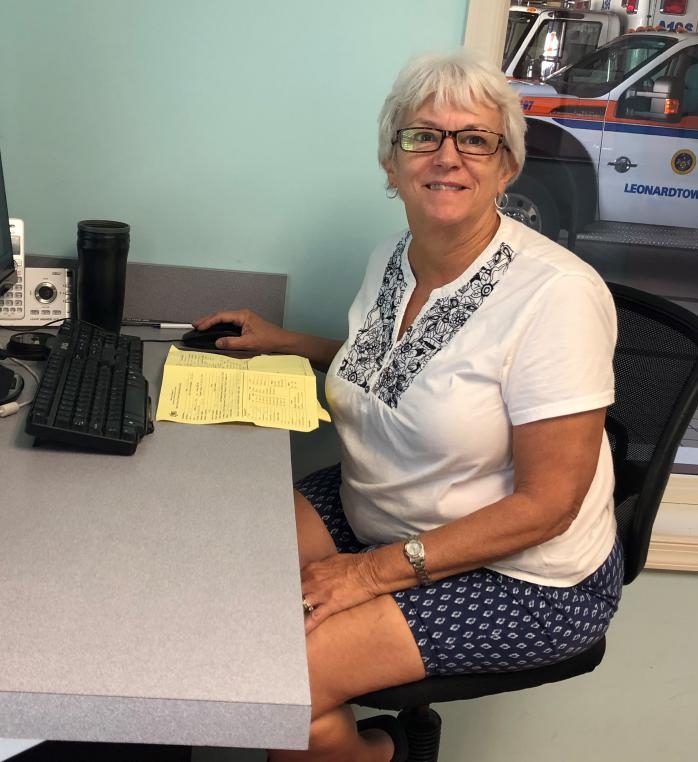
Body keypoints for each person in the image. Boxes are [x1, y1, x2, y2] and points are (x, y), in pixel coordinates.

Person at [195, 50, 622, 762]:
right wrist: (288, 341)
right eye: (423, 135)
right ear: (391, 163)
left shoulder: (557, 298)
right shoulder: (395, 257)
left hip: (520, 572)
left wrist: (368, 573)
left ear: (506, 166)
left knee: (274, 688)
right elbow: (403, 373)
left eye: (475, 138)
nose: (447, 156)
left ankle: (379, 752)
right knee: (225, 579)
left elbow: (549, 507)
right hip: (387, 500)